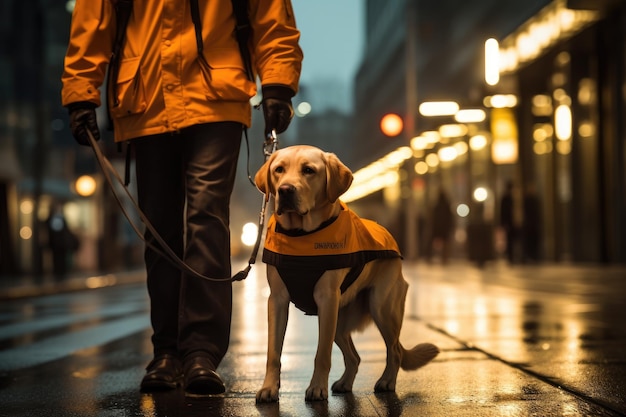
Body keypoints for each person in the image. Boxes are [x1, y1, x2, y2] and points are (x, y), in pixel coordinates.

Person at [61, 0, 302, 396]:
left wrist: (278, 84)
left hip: (216, 98)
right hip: (146, 99)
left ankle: (200, 353)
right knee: (160, 226)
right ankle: (168, 352)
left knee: (206, 217)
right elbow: (93, 20)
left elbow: (271, 17)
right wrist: (80, 94)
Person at [426, 189, 455, 264]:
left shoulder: (437, 205)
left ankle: (430, 258)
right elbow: (450, 218)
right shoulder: (446, 206)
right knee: (445, 244)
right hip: (444, 228)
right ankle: (444, 259)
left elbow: (432, 217)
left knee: (432, 243)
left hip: (437, 227)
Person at [499, 180, 516, 264]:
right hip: (509, 223)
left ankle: (514, 256)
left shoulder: (514, 198)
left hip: (512, 223)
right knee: (509, 240)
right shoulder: (506, 198)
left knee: (512, 239)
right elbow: (503, 212)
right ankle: (510, 257)